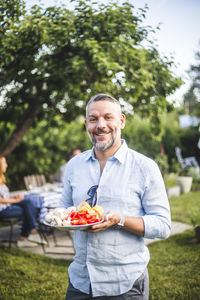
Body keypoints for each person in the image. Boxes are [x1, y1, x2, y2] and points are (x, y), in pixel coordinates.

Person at [60, 94, 171, 299]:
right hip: (80, 281)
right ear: (86, 125)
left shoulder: (145, 167)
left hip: (125, 283)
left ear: (122, 121)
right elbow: (64, 211)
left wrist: (120, 220)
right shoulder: (74, 166)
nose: (100, 125)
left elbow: (163, 225)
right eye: (93, 119)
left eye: (108, 117)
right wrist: (63, 218)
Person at [0, 156, 46, 248]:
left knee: (29, 203)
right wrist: (15, 200)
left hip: (8, 205)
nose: (6, 165)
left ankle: (29, 234)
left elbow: (3, 196)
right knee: (29, 209)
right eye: (4, 163)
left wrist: (14, 197)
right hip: (3, 210)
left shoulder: (2, 178)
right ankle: (30, 234)